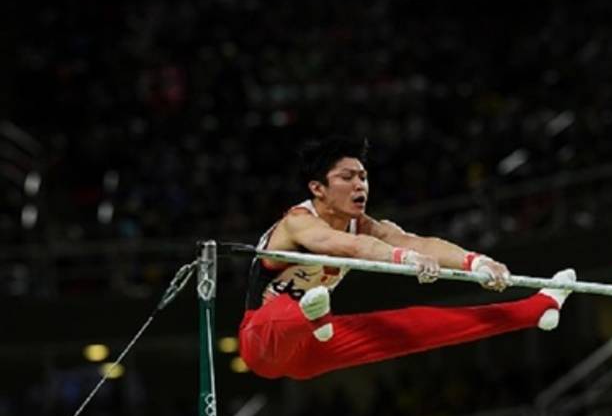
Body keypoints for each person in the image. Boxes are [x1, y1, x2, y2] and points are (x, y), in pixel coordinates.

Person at [238, 136, 576, 379]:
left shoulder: (366, 225)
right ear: (317, 189)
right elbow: (346, 246)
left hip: (315, 346)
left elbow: (419, 242)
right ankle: (308, 315)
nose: (360, 185)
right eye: (347, 177)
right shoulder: (297, 222)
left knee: (418, 324)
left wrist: (476, 261)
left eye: (363, 177)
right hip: (261, 342)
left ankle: (538, 308)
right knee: (280, 313)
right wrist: (401, 258)